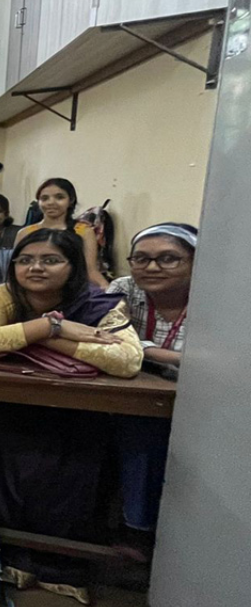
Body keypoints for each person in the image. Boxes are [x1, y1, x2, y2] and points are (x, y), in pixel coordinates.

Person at [0, 229, 143, 604]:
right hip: (8, 407)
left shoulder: (98, 303)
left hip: (74, 415)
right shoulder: (4, 295)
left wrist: (36, 336)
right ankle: (14, 560)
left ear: (73, 265)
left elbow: (125, 360)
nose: (35, 268)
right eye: (25, 260)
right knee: (6, 481)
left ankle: (63, 569)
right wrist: (50, 325)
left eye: (50, 260)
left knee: (67, 488)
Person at [107, 223, 197, 559]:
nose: (152, 267)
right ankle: (137, 527)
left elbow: (220, 363)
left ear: (195, 262)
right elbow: (105, 334)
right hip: (131, 394)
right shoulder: (124, 287)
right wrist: (173, 356)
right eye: (141, 258)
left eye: (169, 259)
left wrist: (140, 348)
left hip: (202, 402)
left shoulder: (217, 298)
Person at [16, 178, 108, 288]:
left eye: (59, 197)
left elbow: (90, 271)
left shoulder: (84, 232)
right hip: (32, 289)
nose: (51, 202)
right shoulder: (25, 233)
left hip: (73, 291)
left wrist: (108, 290)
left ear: (71, 200)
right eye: (44, 198)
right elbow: (16, 269)